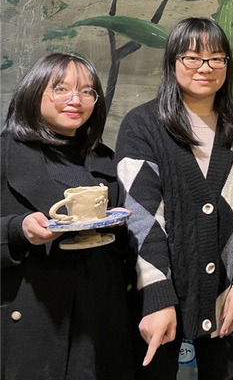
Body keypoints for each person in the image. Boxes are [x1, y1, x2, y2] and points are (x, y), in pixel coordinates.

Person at [116, 18, 233, 379]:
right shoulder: (142, 125)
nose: (205, 67)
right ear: (173, 62)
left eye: (216, 58)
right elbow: (142, 217)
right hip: (161, 295)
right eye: (192, 57)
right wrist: (157, 295)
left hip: (227, 294)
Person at [1, 53, 134, 380]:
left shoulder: (105, 159)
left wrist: (120, 225)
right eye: (60, 89)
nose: (76, 100)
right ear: (34, 92)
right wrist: (19, 230)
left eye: (87, 91)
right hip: (32, 319)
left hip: (99, 319)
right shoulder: (5, 153)